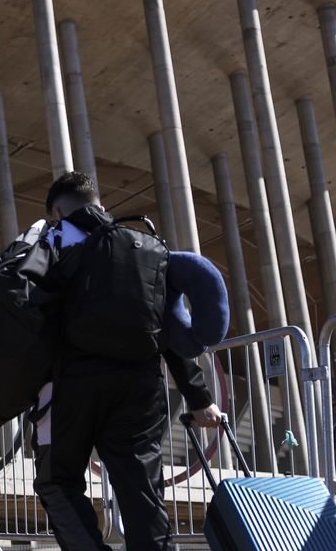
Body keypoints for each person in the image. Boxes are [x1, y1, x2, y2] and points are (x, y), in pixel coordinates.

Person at [30, 171, 225, 551]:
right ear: (99, 204)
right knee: (141, 492)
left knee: (57, 481)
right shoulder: (149, 248)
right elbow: (169, 329)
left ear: (57, 211)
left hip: (70, 387)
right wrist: (200, 398)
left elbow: (28, 321)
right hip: (139, 386)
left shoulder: (48, 247)